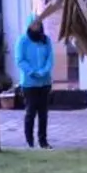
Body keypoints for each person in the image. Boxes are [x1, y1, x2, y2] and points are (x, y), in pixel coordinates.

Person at [16, 17, 55, 149]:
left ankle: (43, 141)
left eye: (39, 23)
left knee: (43, 114)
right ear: (29, 25)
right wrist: (32, 72)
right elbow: (20, 60)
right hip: (29, 83)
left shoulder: (46, 40)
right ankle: (29, 141)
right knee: (31, 112)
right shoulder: (23, 41)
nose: (37, 26)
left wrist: (44, 71)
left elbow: (50, 58)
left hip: (44, 83)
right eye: (34, 24)